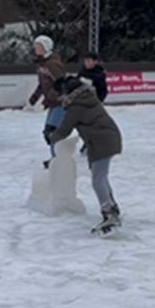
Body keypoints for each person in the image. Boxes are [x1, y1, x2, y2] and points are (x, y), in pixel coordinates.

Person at [47, 76, 124, 236]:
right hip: (107, 138)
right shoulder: (86, 98)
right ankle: (112, 206)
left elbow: (65, 129)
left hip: (102, 141)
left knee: (98, 179)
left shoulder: (76, 106)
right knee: (102, 176)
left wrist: (52, 137)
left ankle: (109, 212)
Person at [29, 35, 67, 164]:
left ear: (46, 48)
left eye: (38, 47)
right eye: (35, 47)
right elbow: (43, 84)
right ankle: (56, 158)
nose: (36, 49)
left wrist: (52, 94)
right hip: (53, 103)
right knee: (49, 133)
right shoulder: (42, 64)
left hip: (61, 102)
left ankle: (58, 159)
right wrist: (35, 96)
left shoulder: (53, 64)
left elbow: (62, 83)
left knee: (52, 132)